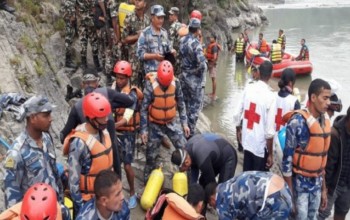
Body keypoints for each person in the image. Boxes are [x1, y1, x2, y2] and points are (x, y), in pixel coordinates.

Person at [3, 95, 70, 219]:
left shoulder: (46, 139)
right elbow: (12, 197)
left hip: (54, 211)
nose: (51, 119)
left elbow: (54, 173)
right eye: (46, 115)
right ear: (32, 118)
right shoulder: (17, 153)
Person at [60, 73, 133, 179]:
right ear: (97, 84)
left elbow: (63, 136)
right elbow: (129, 101)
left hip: (92, 161)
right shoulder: (106, 93)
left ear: (82, 85)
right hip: (112, 157)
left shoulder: (77, 107)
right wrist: (111, 104)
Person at [282, 78, 331, 219]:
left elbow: (321, 159)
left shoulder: (324, 122)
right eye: (325, 98)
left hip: (316, 186)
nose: (328, 102)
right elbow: (287, 161)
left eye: (329, 98)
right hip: (299, 188)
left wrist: (323, 190)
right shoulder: (297, 122)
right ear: (313, 98)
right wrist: (290, 196)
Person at [63, 92, 114, 215]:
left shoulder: (103, 132)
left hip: (104, 196)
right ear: (91, 118)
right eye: (102, 117)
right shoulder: (79, 144)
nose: (106, 119)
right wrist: (81, 210)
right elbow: (73, 181)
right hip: (88, 201)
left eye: (106, 116)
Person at [140, 60, 190, 184]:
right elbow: (143, 109)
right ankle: (147, 181)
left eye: (166, 85)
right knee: (151, 156)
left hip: (171, 122)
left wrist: (184, 123)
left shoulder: (176, 83)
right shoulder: (150, 85)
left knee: (185, 147)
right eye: (163, 84)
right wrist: (144, 130)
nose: (165, 87)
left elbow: (181, 103)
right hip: (155, 124)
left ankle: (187, 179)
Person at [112, 60, 143, 209]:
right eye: (117, 77)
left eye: (122, 78)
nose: (119, 81)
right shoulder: (113, 89)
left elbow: (126, 118)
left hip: (127, 134)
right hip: (114, 132)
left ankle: (132, 193)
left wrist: (111, 126)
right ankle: (115, 192)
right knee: (112, 164)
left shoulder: (132, 94)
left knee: (127, 165)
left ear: (128, 78)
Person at [236, 61, 275, 172]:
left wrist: (238, 128)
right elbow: (269, 132)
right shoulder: (271, 96)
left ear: (258, 72)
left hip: (247, 141)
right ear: (271, 75)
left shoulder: (248, 88)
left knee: (246, 174)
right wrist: (270, 155)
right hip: (259, 147)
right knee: (258, 181)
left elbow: (237, 112)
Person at [205, 171, 292, 219]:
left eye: (211, 205)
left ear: (212, 198)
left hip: (273, 199)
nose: (213, 207)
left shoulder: (221, 201)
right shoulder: (228, 184)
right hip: (283, 188)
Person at [171, 133, 237, 188]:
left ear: (186, 162)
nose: (181, 171)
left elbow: (212, 184)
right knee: (203, 182)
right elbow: (194, 173)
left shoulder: (202, 159)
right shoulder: (187, 151)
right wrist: (192, 190)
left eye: (182, 169)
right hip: (214, 156)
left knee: (222, 190)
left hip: (228, 157)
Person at [319, 106, 350, 220]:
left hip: (347, 184)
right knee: (322, 213)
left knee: (342, 213)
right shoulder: (334, 134)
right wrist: (324, 188)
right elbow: (328, 165)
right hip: (333, 184)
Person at [179, 18, 207, 137]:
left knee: (184, 103)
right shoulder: (196, 44)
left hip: (183, 77)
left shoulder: (182, 40)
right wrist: (195, 72)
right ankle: (190, 132)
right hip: (194, 80)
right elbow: (202, 65)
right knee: (194, 108)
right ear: (198, 30)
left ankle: (183, 128)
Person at [137, 5, 175, 77]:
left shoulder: (164, 33)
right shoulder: (145, 33)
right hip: (150, 74)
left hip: (164, 73)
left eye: (162, 18)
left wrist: (172, 52)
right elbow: (140, 54)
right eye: (158, 18)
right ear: (152, 18)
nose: (161, 21)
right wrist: (154, 56)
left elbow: (168, 49)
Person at [121, 0, 150, 87]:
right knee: (134, 86)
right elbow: (124, 39)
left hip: (145, 59)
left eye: (140, 0)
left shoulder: (147, 19)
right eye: (136, 0)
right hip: (134, 59)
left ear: (145, 4)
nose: (137, 2)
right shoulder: (129, 18)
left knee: (146, 85)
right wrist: (138, 36)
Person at [77, 0, 101, 70]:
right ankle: (84, 64)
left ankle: (96, 63)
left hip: (92, 24)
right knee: (83, 43)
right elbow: (76, 7)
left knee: (94, 43)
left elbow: (95, 9)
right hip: (82, 24)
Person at [61, 0, 78, 69]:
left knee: (70, 40)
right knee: (68, 40)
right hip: (69, 23)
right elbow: (71, 16)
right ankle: (68, 61)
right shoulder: (68, 2)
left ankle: (69, 60)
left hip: (70, 22)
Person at [168, 6, 182, 77]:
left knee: (172, 77)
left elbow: (170, 42)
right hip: (180, 56)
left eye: (171, 15)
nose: (169, 16)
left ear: (176, 16)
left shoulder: (173, 27)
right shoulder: (181, 25)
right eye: (169, 14)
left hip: (174, 56)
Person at [206, 33, 219, 99]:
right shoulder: (212, 45)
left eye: (211, 38)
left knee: (213, 79)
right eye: (210, 37)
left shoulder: (214, 46)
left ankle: (213, 94)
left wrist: (212, 64)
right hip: (210, 62)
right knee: (212, 79)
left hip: (212, 63)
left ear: (214, 39)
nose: (210, 39)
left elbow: (215, 56)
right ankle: (212, 93)